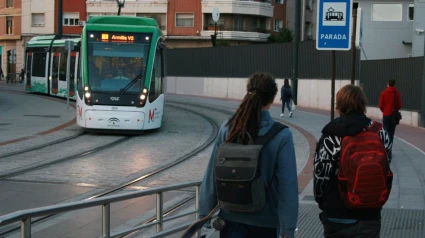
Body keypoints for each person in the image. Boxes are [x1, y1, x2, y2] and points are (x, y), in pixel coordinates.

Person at [199, 72, 299, 238]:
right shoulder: (282, 136)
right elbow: (288, 186)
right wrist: (288, 229)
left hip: (230, 220)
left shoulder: (228, 128)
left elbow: (211, 175)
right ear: (273, 98)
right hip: (266, 223)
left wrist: (204, 216)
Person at [313, 84, 392, 238]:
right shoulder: (380, 132)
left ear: (339, 105)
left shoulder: (331, 134)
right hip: (370, 213)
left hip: (337, 213)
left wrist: (323, 202)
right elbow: (386, 167)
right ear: (363, 104)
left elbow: (320, 175)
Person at [379, 79, 401, 155]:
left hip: (386, 115)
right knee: (391, 133)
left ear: (388, 84)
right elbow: (399, 105)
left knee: (385, 133)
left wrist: (384, 111)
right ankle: (389, 150)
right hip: (393, 116)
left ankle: (384, 149)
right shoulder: (397, 93)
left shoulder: (383, 93)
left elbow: (380, 105)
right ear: (394, 84)